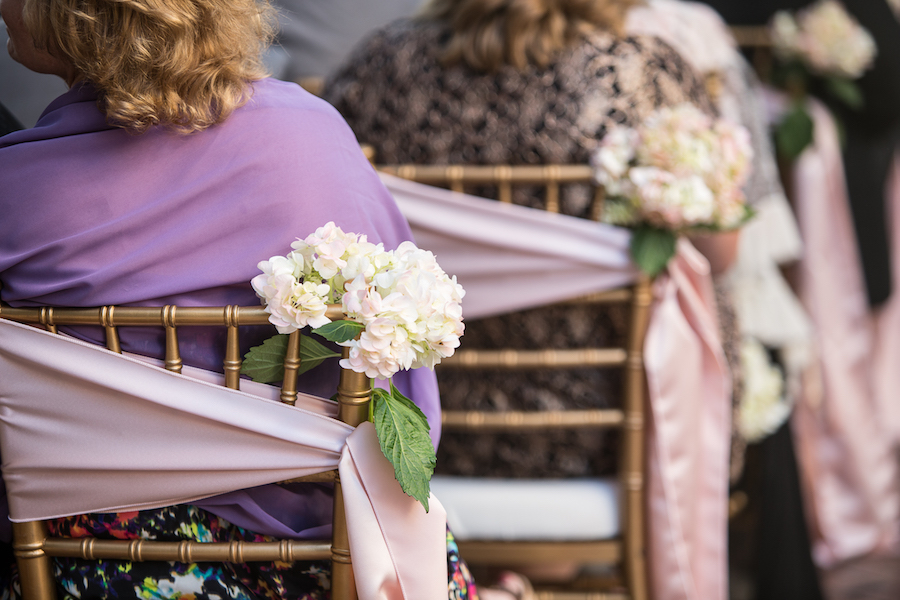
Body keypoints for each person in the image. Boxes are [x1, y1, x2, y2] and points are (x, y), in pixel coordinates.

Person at [0, 0, 476, 597]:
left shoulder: (15, 187)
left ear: (78, 16)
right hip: (335, 554)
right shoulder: (313, 134)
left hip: (102, 564)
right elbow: (401, 378)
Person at [324, 0, 734, 482]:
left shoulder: (381, 67)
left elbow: (330, 227)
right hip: (607, 429)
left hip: (417, 425)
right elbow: (722, 254)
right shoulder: (643, 73)